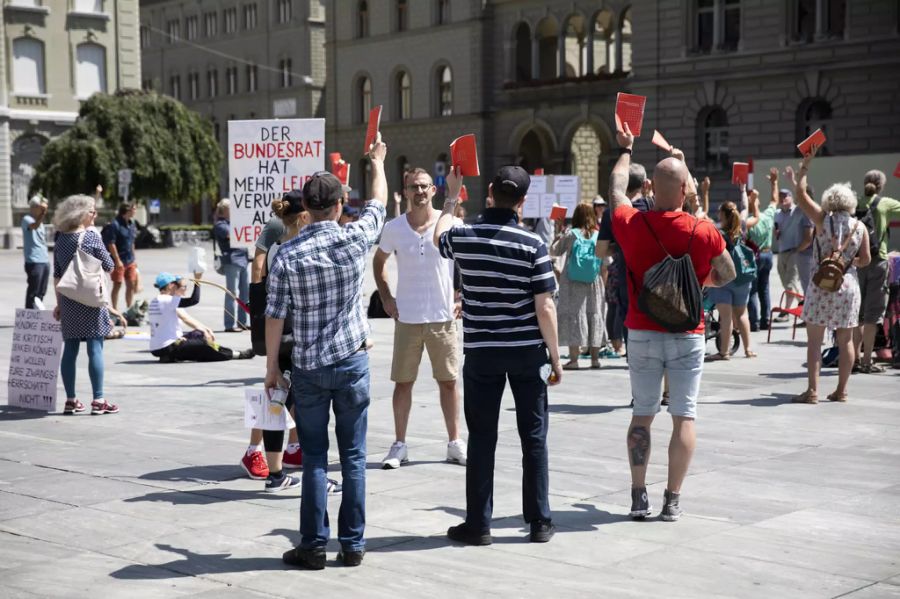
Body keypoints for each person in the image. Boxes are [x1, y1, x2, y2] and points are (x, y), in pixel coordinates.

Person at [267, 137, 388, 570]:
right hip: (352, 361)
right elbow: (378, 202)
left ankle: (313, 545)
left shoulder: (286, 254)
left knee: (315, 457)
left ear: (305, 207)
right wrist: (376, 162)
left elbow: (275, 315)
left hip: (310, 366)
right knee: (354, 456)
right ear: (338, 205)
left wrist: (270, 370)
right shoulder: (354, 239)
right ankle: (352, 545)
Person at [609, 125, 735, 522]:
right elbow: (727, 273)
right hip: (687, 332)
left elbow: (615, 190)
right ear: (684, 190)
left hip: (642, 331)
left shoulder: (631, 223)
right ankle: (672, 500)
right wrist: (699, 282)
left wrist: (626, 150)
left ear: (649, 189)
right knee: (684, 414)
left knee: (642, 414)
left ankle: (637, 495)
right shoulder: (703, 230)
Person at [435, 164, 562, 546]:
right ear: (522, 202)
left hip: (482, 353)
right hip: (526, 353)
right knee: (534, 438)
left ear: (490, 191)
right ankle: (539, 521)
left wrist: (452, 196)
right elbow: (545, 308)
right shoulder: (532, 244)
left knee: (482, 438)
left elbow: (438, 234)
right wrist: (555, 358)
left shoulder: (465, 235)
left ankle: (478, 524)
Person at [373, 167, 467, 470]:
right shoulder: (394, 227)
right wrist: (386, 296)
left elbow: (468, 260)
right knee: (403, 383)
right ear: (406, 190)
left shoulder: (449, 222)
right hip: (408, 318)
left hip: (442, 316)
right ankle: (399, 444)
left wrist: (464, 296)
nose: (420, 191)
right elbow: (379, 262)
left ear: (434, 190)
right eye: (414, 187)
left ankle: (454, 442)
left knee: (449, 382)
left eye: (425, 186)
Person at [789, 149, 870, 403]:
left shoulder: (822, 219)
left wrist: (804, 167)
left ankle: (812, 391)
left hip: (821, 284)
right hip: (848, 285)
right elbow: (866, 260)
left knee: (814, 341)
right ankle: (841, 391)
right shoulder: (860, 227)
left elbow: (801, 195)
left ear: (828, 201)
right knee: (845, 339)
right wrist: (846, 261)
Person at [52, 195, 119, 416]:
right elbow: (109, 266)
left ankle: (71, 400)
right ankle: (98, 400)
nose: (95, 215)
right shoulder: (91, 237)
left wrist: (59, 304)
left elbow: (58, 275)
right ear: (81, 214)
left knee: (70, 350)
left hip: (69, 300)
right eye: (92, 211)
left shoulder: (60, 238)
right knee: (95, 347)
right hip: (91, 300)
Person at [597, 163, 655, 358]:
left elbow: (601, 251)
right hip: (657, 275)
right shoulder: (654, 206)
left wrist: (619, 246)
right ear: (645, 184)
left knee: (629, 316)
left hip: (627, 274)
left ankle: (634, 358)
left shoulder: (610, 213)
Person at [148, 272, 254, 363]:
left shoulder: (156, 301)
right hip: (168, 346)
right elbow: (193, 300)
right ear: (170, 285)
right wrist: (197, 280)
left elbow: (181, 320)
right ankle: (236, 354)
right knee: (204, 345)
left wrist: (204, 329)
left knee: (198, 335)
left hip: (157, 347)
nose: (178, 286)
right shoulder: (167, 300)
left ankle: (170, 356)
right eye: (176, 284)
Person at [854, 169, 900, 374]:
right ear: (880, 186)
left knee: (857, 314)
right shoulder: (885, 203)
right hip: (878, 261)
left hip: (856, 263)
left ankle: (852, 358)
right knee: (873, 315)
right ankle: (866, 362)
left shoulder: (854, 203)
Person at [551, 203, 606, 370]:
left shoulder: (571, 234)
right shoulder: (598, 234)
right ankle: (595, 359)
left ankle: (574, 360)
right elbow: (604, 259)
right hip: (593, 280)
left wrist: (558, 233)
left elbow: (554, 251)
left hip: (572, 280)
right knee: (594, 314)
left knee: (574, 315)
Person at [705, 200, 757, 361]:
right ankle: (748, 349)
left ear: (724, 216)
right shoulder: (741, 230)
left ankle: (724, 352)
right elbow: (747, 211)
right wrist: (745, 194)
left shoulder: (720, 234)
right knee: (742, 315)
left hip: (724, 280)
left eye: (720, 215)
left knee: (725, 317)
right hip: (742, 279)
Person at [745, 169, 779, 331]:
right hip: (768, 254)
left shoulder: (749, 222)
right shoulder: (767, 216)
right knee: (764, 288)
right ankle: (766, 321)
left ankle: (754, 322)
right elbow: (774, 199)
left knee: (752, 289)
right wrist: (774, 182)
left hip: (755, 256)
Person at [213, 199, 250, 332]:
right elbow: (232, 235)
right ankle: (229, 325)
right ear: (225, 210)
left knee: (245, 293)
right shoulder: (221, 225)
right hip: (232, 261)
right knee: (232, 293)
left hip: (243, 260)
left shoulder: (233, 223)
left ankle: (242, 322)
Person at [773, 187, 810, 313]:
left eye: (785, 196)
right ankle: (802, 302)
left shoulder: (797, 211)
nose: (782, 199)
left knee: (790, 283)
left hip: (794, 251)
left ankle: (786, 312)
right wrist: (776, 232)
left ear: (791, 197)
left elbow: (802, 198)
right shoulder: (777, 213)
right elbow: (776, 230)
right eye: (780, 196)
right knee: (786, 282)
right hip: (781, 251)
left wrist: (795, 182)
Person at [102, 202, 139, 311]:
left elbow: (132, 242)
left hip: (130, 260)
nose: (135, 211)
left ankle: (129, 309)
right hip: (118, 260)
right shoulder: (115, 224)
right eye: (134, 209)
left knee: (131, 284)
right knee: (117, 285)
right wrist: (117, 260)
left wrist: (134, 258)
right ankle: (115, 310)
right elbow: (111, 243)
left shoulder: (132, 224)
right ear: (127, 211)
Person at [22, 196, 50, 309]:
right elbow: (34, 226)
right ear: (33, 207)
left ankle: (37, 314)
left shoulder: (41, 221)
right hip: (33, 260)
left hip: (44, 259)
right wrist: (43, 213)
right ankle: (29, 314)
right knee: (33, 290)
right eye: (39, 207)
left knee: (42, 290)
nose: (41, 209)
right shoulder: (27, 219)